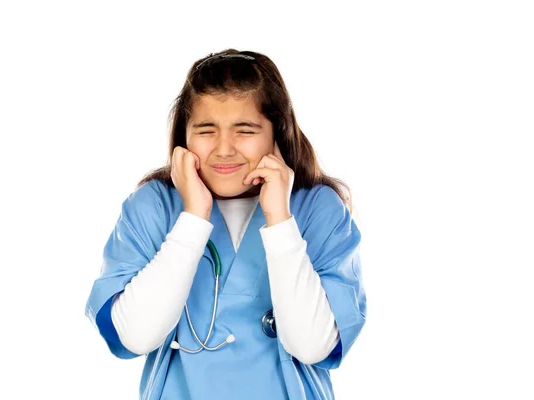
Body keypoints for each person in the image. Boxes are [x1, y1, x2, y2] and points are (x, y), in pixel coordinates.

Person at [84, 49, 366, 400]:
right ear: (183, 137)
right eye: (206, 130)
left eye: (245, 130)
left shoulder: (316, 209)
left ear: (276, 134)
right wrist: (193, 217)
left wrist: (279, 219)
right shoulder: (153, 206)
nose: (224, 149)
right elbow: (135, 337)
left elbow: (313, 347)